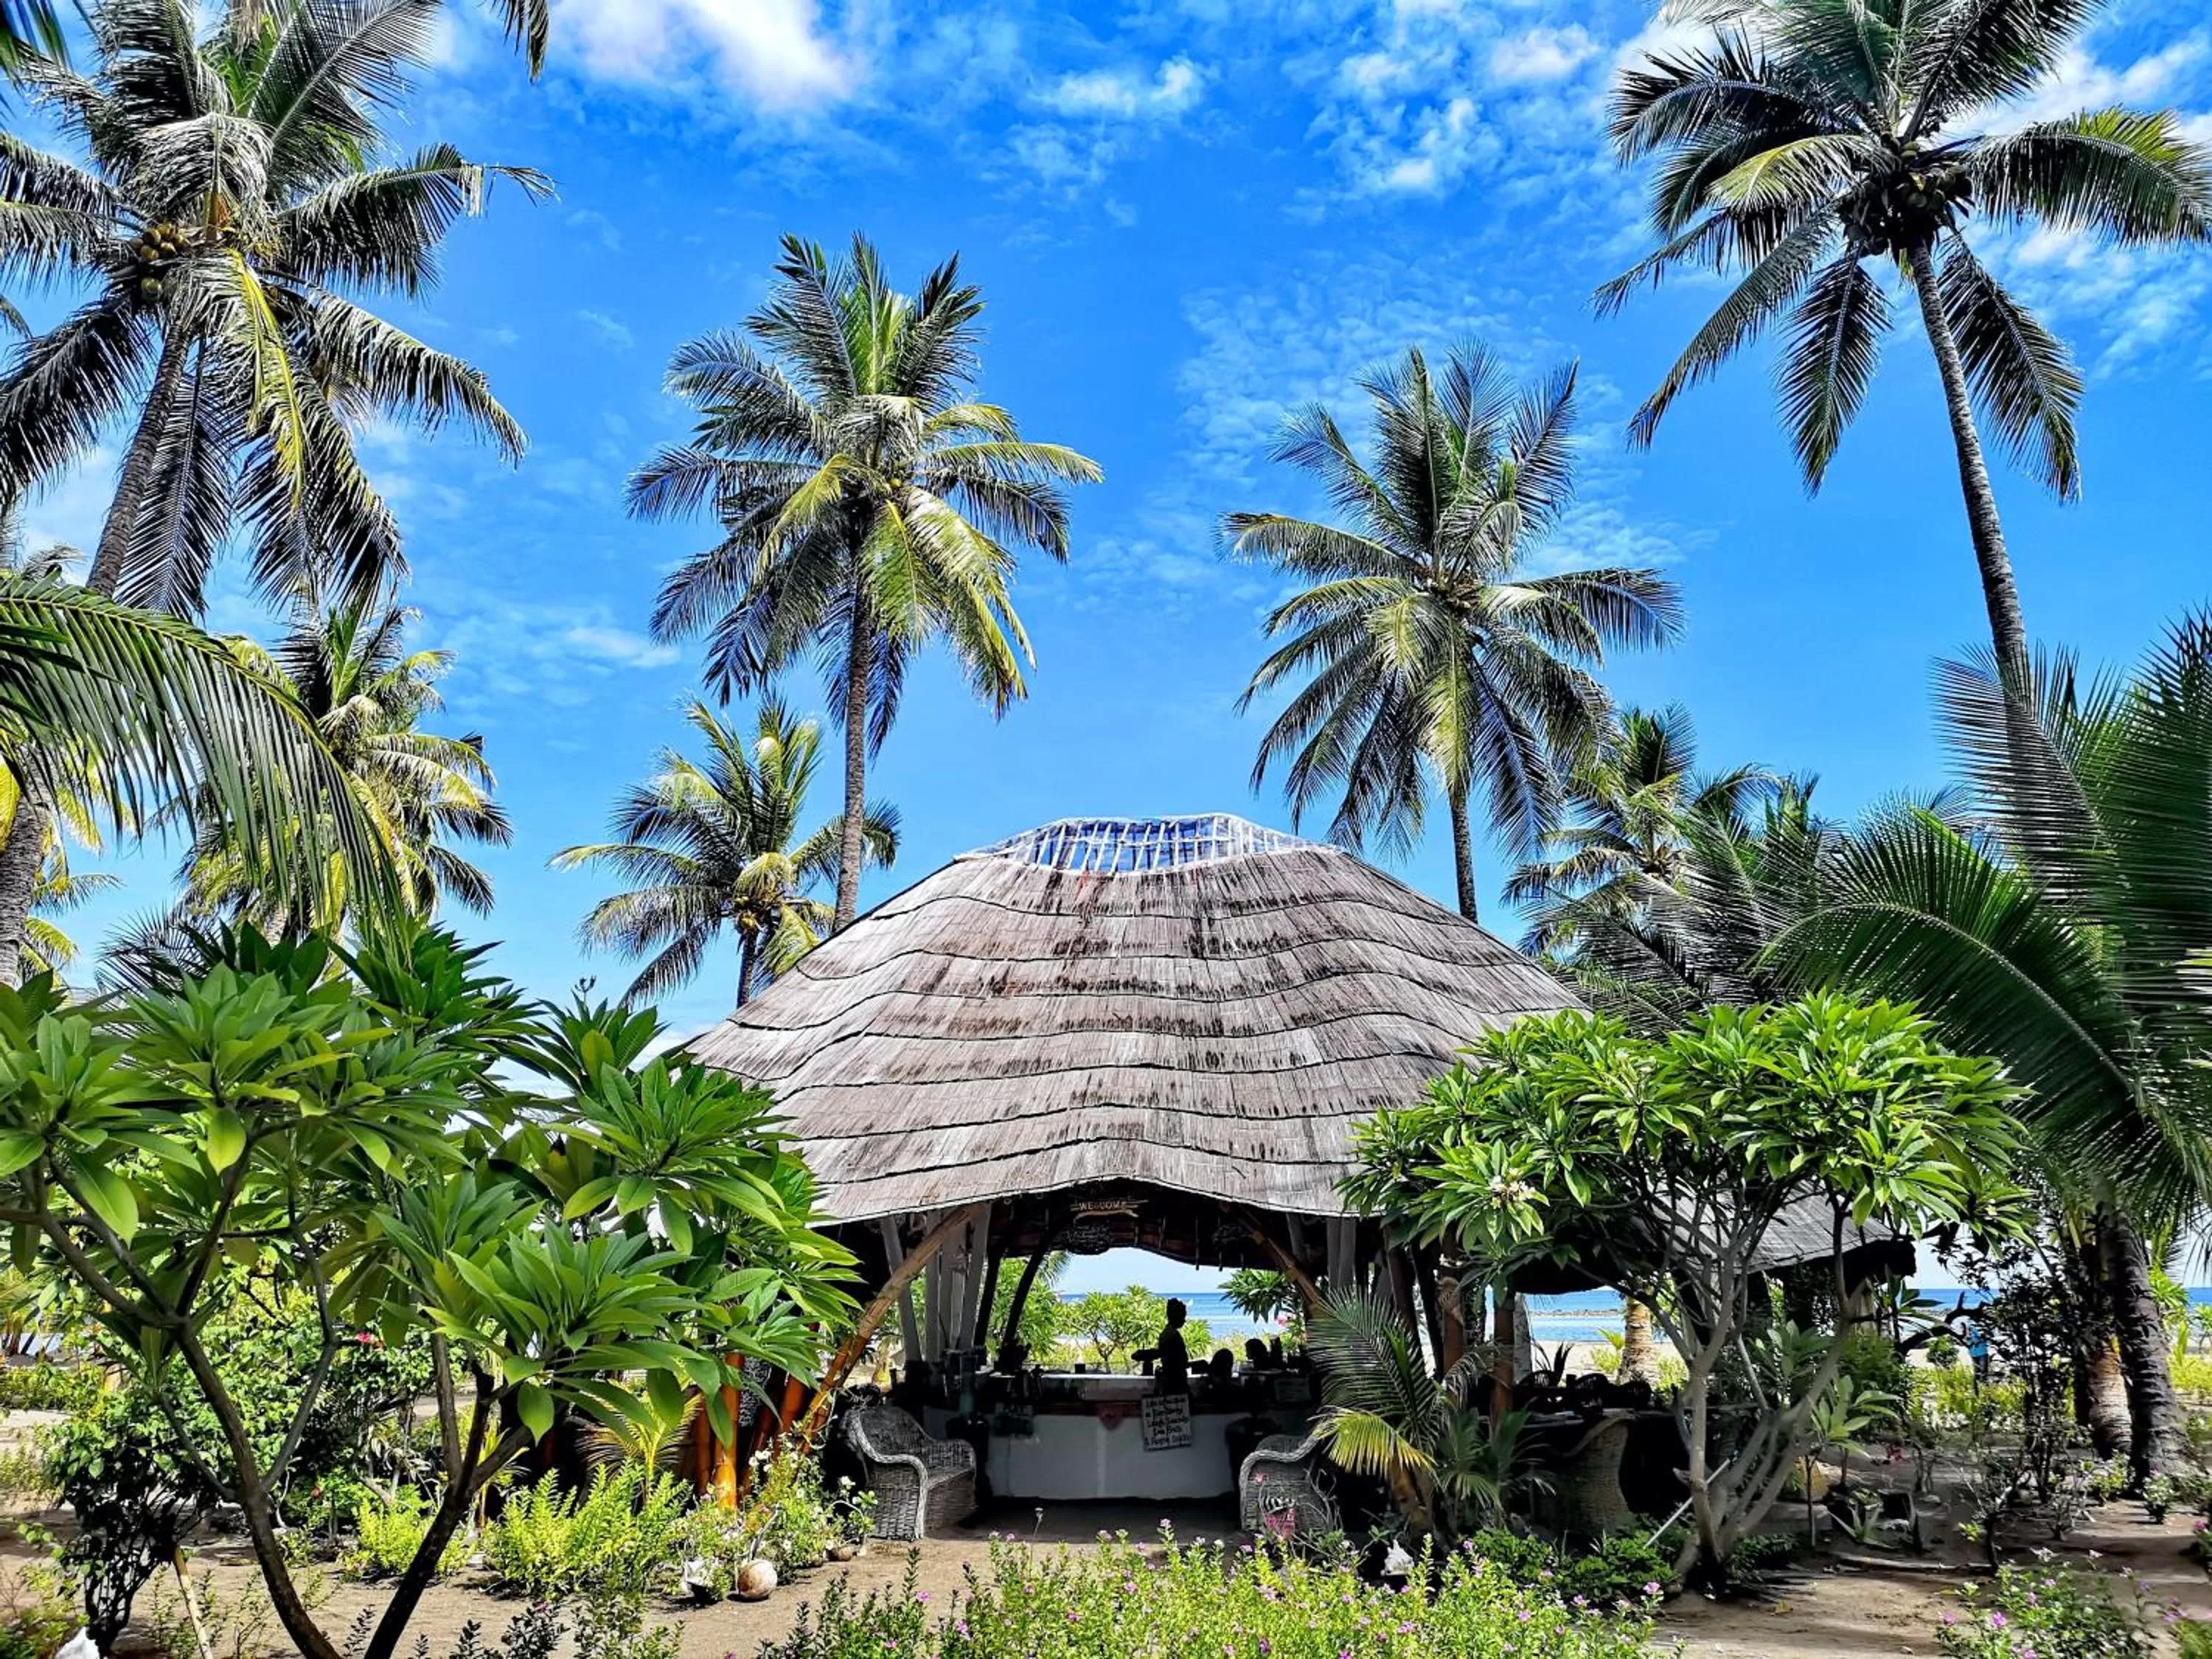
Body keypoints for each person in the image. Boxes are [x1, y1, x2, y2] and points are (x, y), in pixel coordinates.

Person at [1133, 1297, 1192, 1394]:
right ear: (1177, 1317)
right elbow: (1180, 1362)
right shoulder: (1173, 1336)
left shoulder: (1166, 1334)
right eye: (1183, 1317)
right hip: (1176, 1382)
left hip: (1170, 1381)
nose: (1184, 1320)